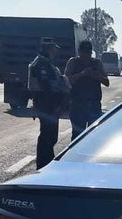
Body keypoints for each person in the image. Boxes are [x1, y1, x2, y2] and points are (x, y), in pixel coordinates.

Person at [29, 38, 66, 169]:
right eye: (53, 48)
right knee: (47, 136)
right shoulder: (41, 64)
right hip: (46, 104)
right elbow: (46, 87)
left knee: (51, 136)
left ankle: (47, 161)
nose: (55, 51)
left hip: (48, 104)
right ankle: (43, 164)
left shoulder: (46, 63)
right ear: (48, 49)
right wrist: (55, 104)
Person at [64, 39, 109, 139]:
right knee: (77, 136)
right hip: (77, 104)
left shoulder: (96, 63)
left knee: (93, 136)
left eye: (88, 53)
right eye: (84, 53)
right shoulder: (73, 62)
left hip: (94, 105)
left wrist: (96, 75)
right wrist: (82, 74)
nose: (86, 56)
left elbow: (106, 82)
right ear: (79, 52)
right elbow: (66, 81)